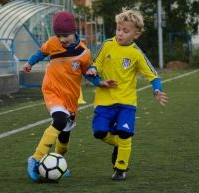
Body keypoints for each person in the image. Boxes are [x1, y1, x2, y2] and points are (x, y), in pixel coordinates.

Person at [23, 11, 114, 182]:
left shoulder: (84, 52)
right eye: (59, 35)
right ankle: (35, 159)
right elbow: (40, 53)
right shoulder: (52, 43)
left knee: (65, 135)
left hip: (71, 98)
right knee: (59, 121)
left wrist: (99, 81)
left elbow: (88, 71)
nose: (62, 39)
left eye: (66, 35)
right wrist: (29, 63)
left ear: (74, 31)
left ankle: (58, 161)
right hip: (52, 90)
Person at [85, 8, 168, 181]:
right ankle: (120, 145)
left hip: (126, 103)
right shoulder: (107, 44)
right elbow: (96, 64)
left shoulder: (136, 54)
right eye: (118, 29)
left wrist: (157, 89)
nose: (120, 33)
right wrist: (93, 71)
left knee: (124, 134)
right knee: (99, 132)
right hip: (104, 100)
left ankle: (120, 168)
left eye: (125, 30)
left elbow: (153, 75)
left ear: (136, 34)